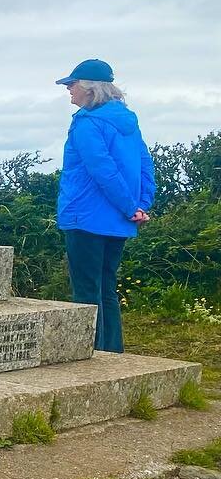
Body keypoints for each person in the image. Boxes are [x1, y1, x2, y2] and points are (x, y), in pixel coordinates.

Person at [54, 58, 154, 353]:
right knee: (107, 287)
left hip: (85, 217)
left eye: (72, 85)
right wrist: (138, 206)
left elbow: (102, 170)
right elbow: (145, 165)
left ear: (88, 88)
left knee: (86, 290)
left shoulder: (87, 123)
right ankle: (112, 353)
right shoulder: (127, 121)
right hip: (118, 220)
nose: (69, 91)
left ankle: (90, 357)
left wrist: (129, 206)